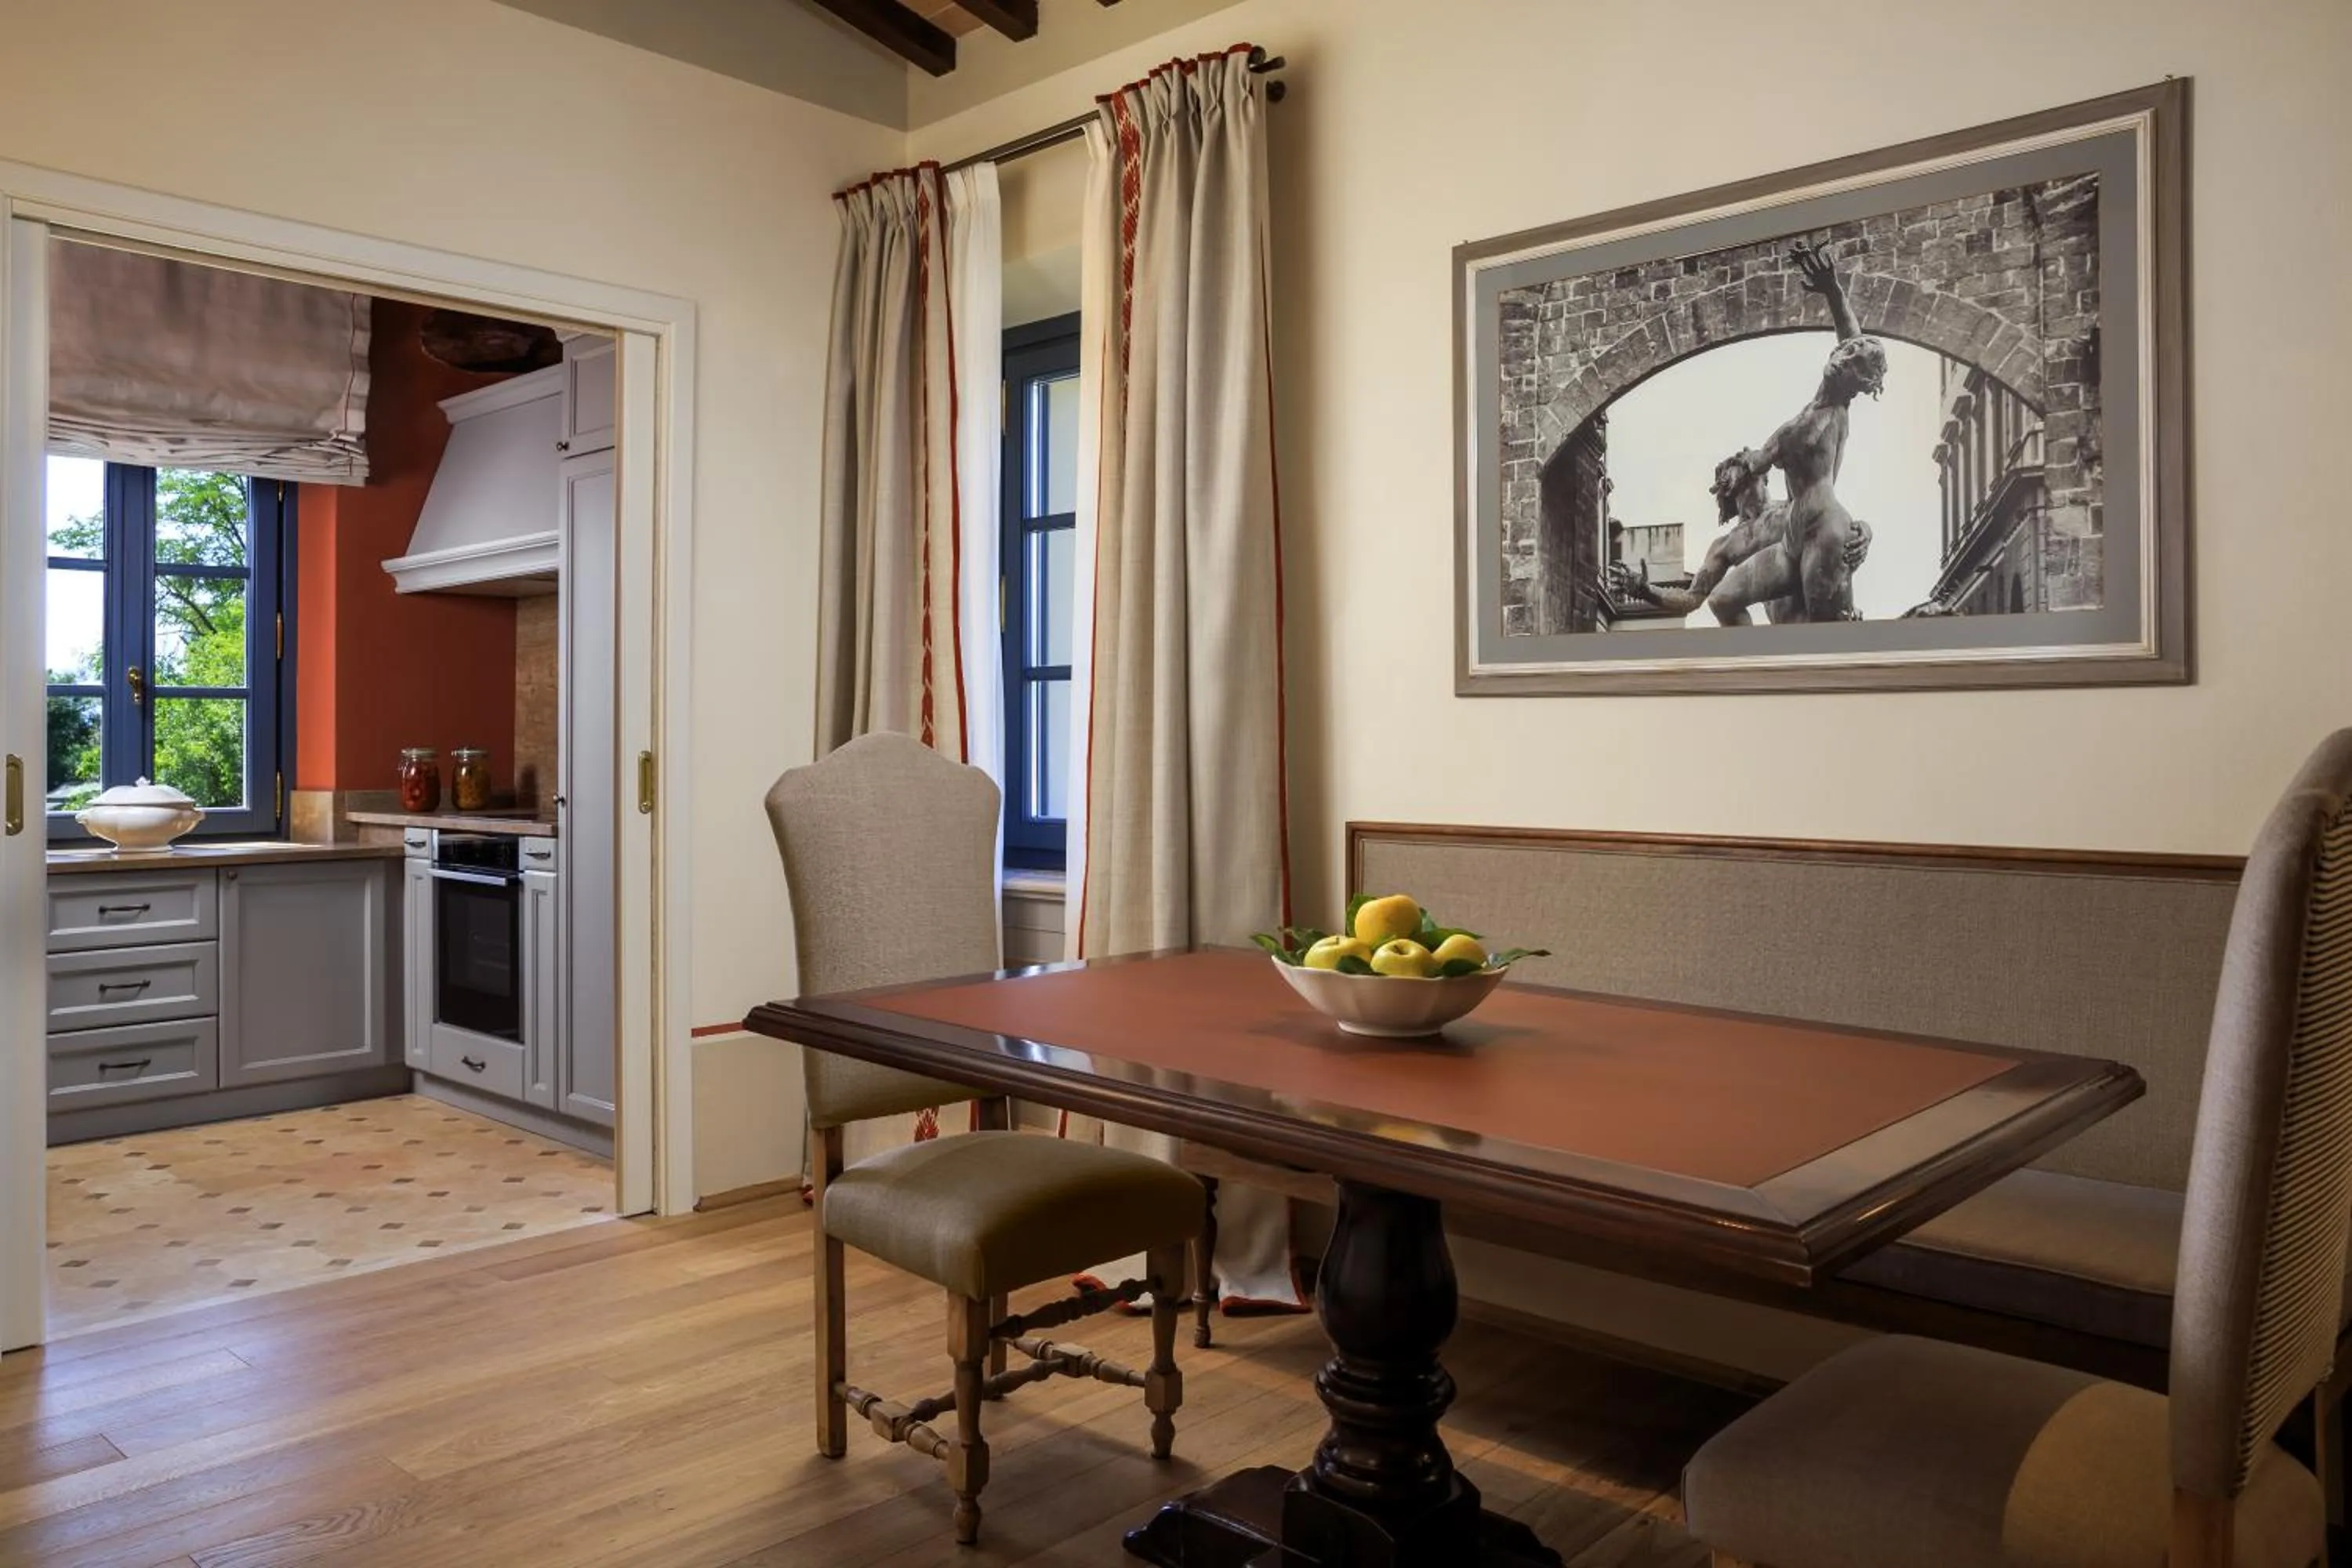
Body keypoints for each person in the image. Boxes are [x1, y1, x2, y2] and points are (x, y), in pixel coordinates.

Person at [1736, 238, 1887, 622]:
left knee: (1821, 633)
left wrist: (1835, 292)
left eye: (1852, 362)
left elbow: (1854, 340)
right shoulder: (1810, 417)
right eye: (1845, 355)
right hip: (1796, 535)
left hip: (1822, 525)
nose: (1844, 357)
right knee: (1724, 600)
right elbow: (1854, 344)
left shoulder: (1835, 409)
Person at [1608, 451, 1871, 625]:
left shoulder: (1793, 508)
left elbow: (1833, 521)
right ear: (1724, 486)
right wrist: (1643, 589)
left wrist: (1865, 530)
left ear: (1765, 475)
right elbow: (1692, 599)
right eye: (1736, 464)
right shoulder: (1726, 545)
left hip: (1828, 608)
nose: (1745, 461)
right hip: (1787, 629)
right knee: (1721, 601)